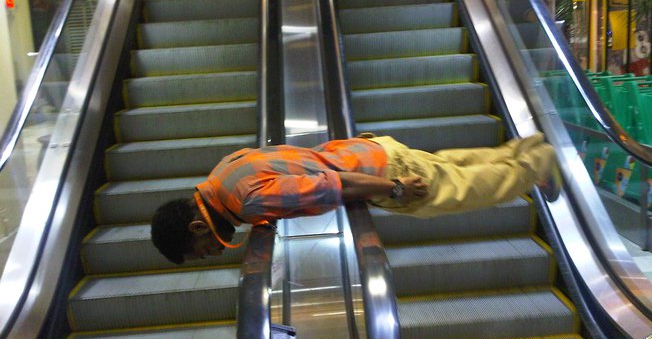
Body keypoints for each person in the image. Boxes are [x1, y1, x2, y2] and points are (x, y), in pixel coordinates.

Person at [151, 133, 560, 264]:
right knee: (451, 168)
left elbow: (335, 185)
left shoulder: (248, 203)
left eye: (202, 248)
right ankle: (522, 148)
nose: (211, 253)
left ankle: (536, 163)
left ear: (197, 225)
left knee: (465, 191)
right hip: (368, 149)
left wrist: (396, 190)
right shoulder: (222, 172)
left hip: (378, 173)